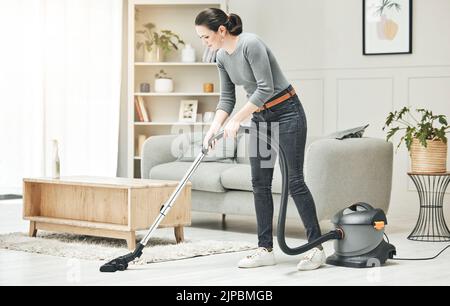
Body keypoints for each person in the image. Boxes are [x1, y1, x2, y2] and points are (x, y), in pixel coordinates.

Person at [195, 8, 325, 271]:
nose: (204, 43)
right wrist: (213, 128)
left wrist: (238, 119)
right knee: (259, 182)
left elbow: (265, 87)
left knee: (295, 181)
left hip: (288, 112)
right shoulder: (221, 57)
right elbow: (227, 99)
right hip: (261, 118)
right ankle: (264, 249)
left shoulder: (250, 44)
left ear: (221, 31)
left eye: (205, 37)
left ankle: (316, 248)